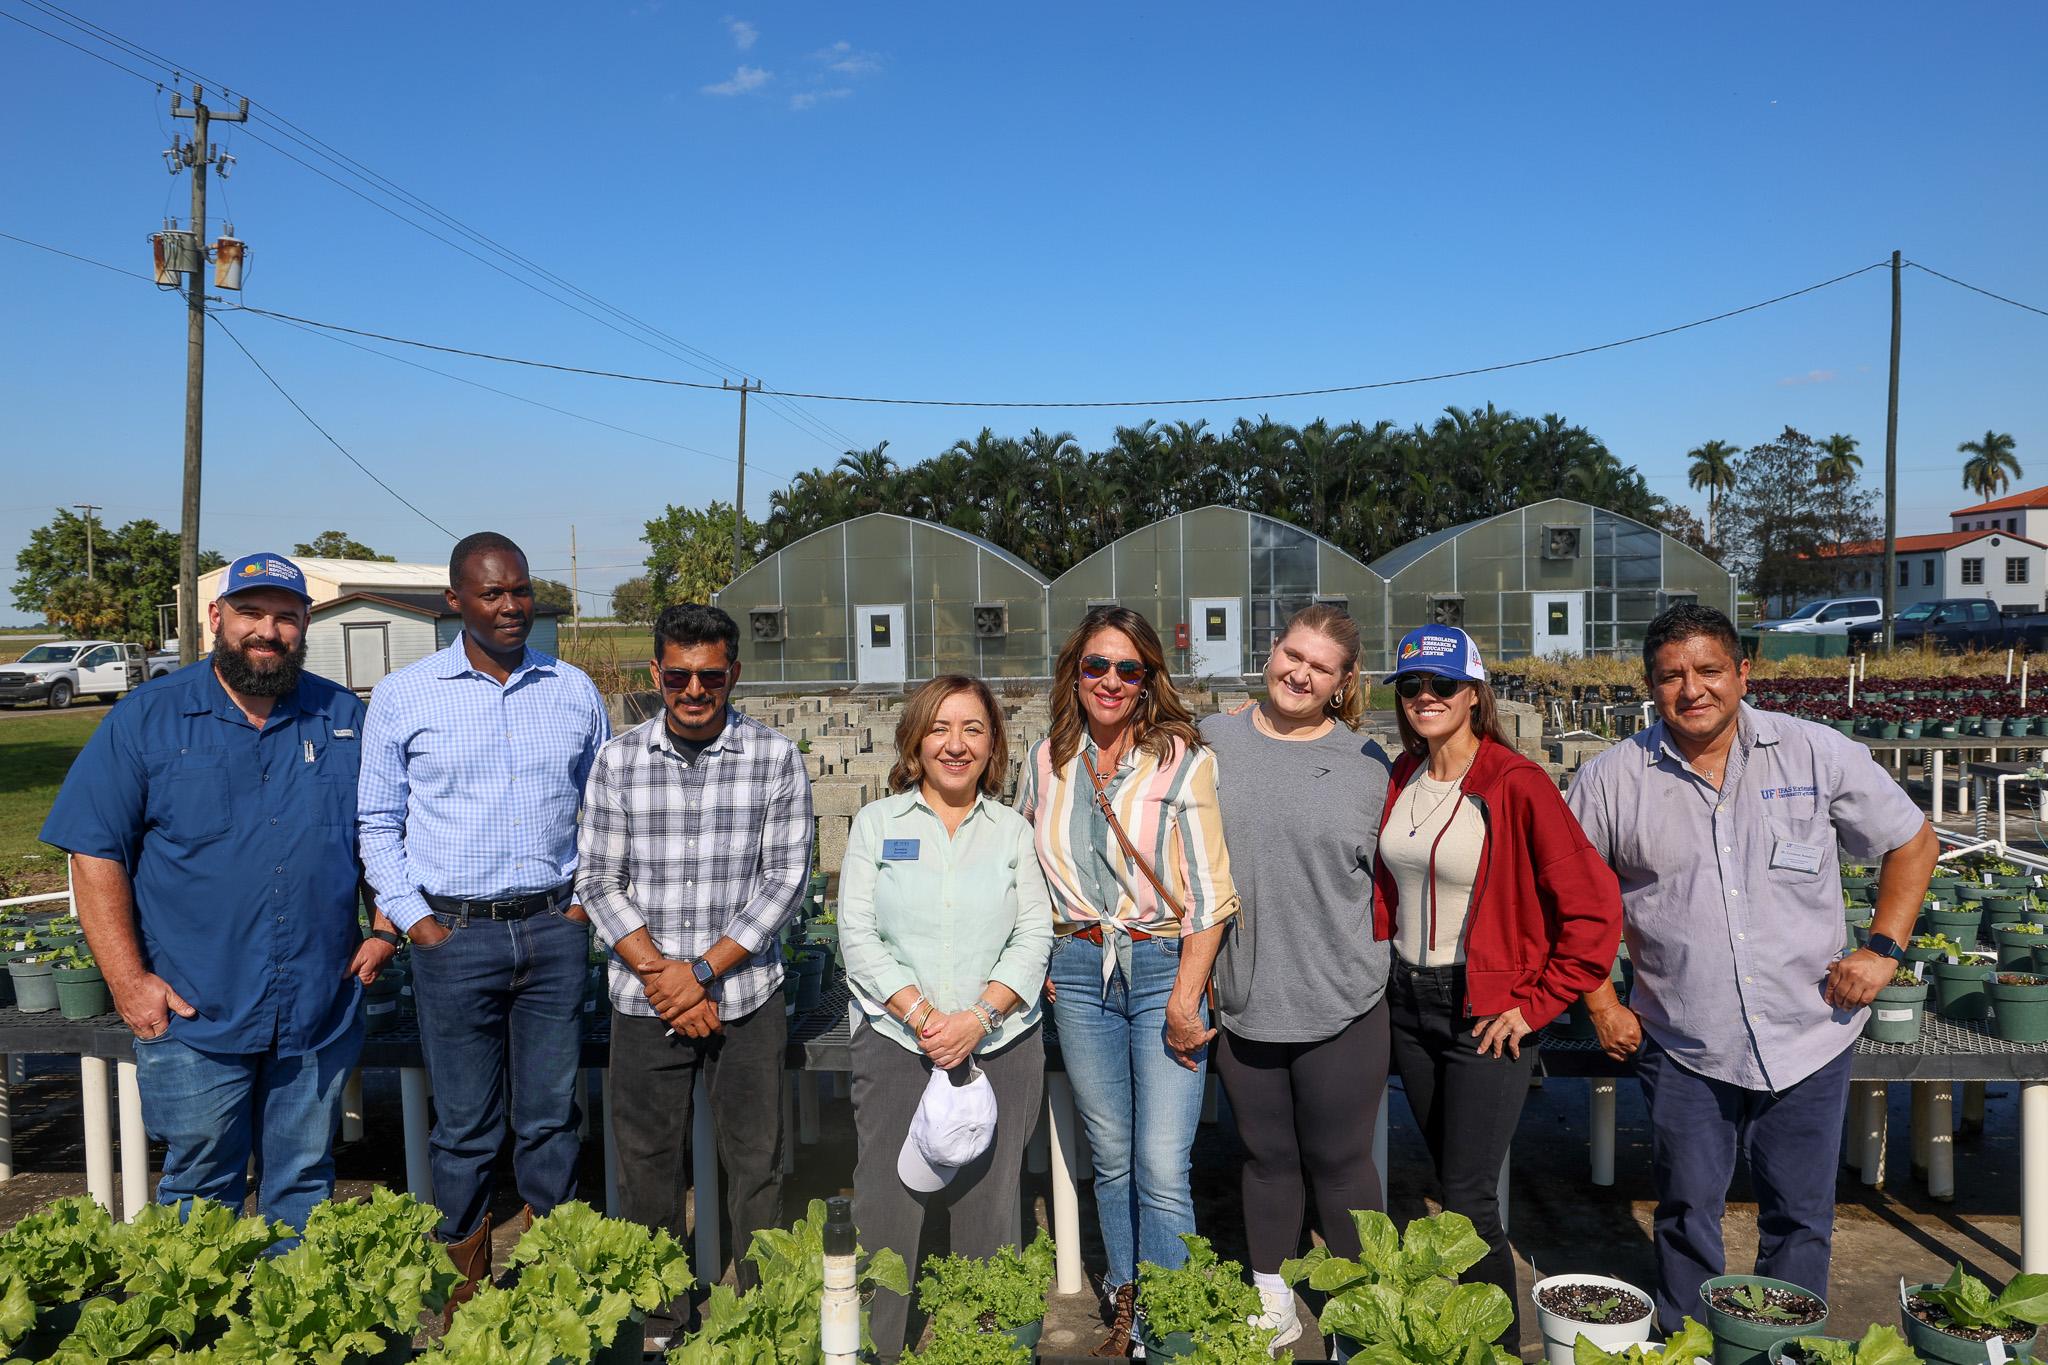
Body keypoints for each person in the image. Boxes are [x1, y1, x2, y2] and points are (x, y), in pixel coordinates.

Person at [1567, 604, 1936, 1333]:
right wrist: (1602, 1002)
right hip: (1684, 1040)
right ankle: (1692, 1339)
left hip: (1809, 1033)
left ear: (1743, 672)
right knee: (1685, 1207)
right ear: (1650, 685)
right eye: (1671, 676)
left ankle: (1780, 1344)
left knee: (1800, 1214)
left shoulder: (1812, 753)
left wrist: (1884, 947)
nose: (1691, 689)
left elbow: (1912, 840)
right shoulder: (1613, 778)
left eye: (1708, 670)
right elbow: (1569, 901)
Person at [39, 552, 395, 1233]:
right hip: (195, 1014)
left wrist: (383, 927)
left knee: (305, 1184)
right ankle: (201, 1335)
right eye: (251, 614)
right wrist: (127, 981)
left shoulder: (342, 716)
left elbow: (382, 830)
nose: (268, 631)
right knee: (201, 1188)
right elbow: (93, 852)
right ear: (215, 619)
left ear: (305, 624)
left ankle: (291, 1332)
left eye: (286, 617)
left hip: (317, 1012)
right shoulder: (148, 719)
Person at [357, 532, 610, 1314]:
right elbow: (376, 822)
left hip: (551, 932)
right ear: (454, 603)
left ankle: (551, 1278)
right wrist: (417, 923)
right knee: (464, 1125)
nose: (511, 606)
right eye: (492, 593)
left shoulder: (572, 689)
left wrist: (576, 908)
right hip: (454, 938)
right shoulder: (405, 694)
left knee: (549, 1118)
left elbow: (602, 811)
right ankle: (464, 1289)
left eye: (521, 590)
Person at [1372, 624, 1622, 1348]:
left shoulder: (1516, 784)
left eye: (1442, 685)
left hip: (1482, 1011)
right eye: (1412, 685)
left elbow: (1595, 908)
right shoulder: (1403, 775)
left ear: (1473, 694)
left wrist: (1539, 1003)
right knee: (1451, 1181)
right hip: (1407, 1002)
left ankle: (1496, 1349)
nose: (1425, 697)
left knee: (1467, 1198)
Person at [576, 602, 811, 1323]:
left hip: (744, 996)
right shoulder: (619, 759)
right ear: (658, 672)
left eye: (710, 676)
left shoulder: (774, 757)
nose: (694, 690)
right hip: (645, 1001)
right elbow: (597, 881)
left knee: (758, 1163)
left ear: (733, 673)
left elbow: (785, 882)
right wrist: (665, 978)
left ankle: (764, 1311)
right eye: (678, 675)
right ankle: (661, 1317)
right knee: (646, 1163)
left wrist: (700, 973)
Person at [1018, 604, 1240, 1358]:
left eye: (1127, 669)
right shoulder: (1045, 757)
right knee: (1110, 1150)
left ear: (1148, 680)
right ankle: (1129, 1303)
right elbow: (1026, 866)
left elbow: (1212, 894)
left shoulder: (1183, 757)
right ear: (1073, 672)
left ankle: (1174, 1329)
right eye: (1095, 665)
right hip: (1079, 968)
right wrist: (1043, 951)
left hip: (1160, 964)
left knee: (1160, 1161)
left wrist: (1186, 994)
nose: (1109, 681)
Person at [836, 674, 1055, 1361]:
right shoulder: (879, 824)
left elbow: (1034, 933)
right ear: (915, 740)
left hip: (1001, 1043)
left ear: (992, 745)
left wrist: (980, 1019)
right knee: (887, 1202)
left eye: (973, 729)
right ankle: (878, 1344)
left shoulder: (1012, 831)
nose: (955, 744)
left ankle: (982, 1345)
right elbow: (858, 934)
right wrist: (926, 1015)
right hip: (898, 1040)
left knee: (989, 1206)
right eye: (940, 728)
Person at [1201, 604, 1392, 1353]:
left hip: (1340, 996)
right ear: (1270, 649)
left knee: (1343, 1165)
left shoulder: (1367, 764)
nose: (1299, 672)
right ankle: (1273, 1296)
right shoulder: (1211, 740)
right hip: (1244, 993)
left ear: (1344, 681)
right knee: (1267, 1157)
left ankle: (1358, 1312)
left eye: (1320, 665)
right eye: (1291, 652)